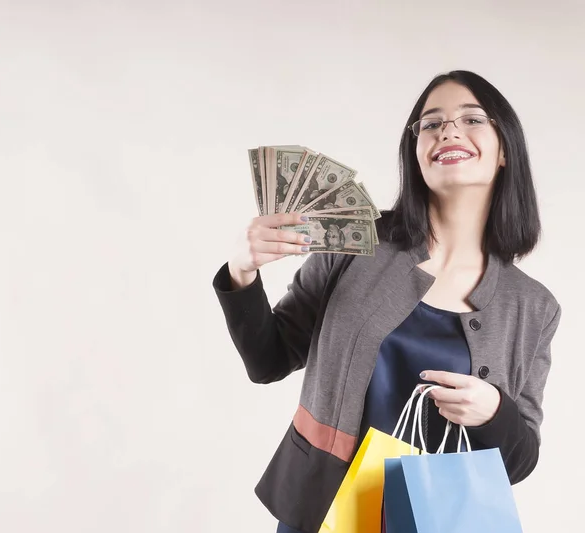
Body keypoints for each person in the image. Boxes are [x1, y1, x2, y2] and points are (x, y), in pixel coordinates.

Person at [213, 70, 562, 533]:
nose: (448, 130)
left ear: (504, 151)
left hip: (437, 520)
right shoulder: (354, 242)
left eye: (473, 119)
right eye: (431, 123)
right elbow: (268, 359)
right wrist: (243, 271)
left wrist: (494, 411)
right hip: (325, 512)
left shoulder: (533, 306)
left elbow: (520, 460)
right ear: (415, 152)